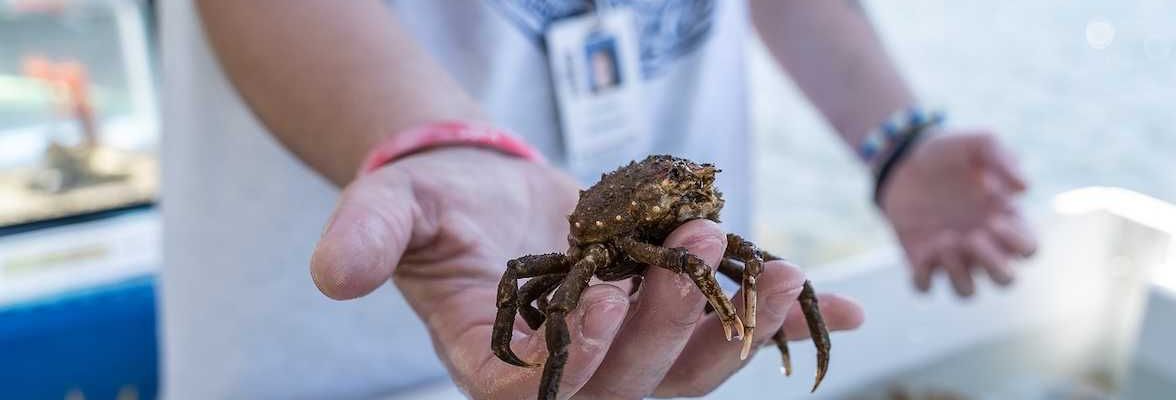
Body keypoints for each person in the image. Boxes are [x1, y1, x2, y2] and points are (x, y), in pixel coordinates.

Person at [160, 1, 1036, 399]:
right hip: (351, 316)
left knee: (742, 277)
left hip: (659, 346)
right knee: (547, 297)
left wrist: (894, 139)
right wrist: (442, 145)